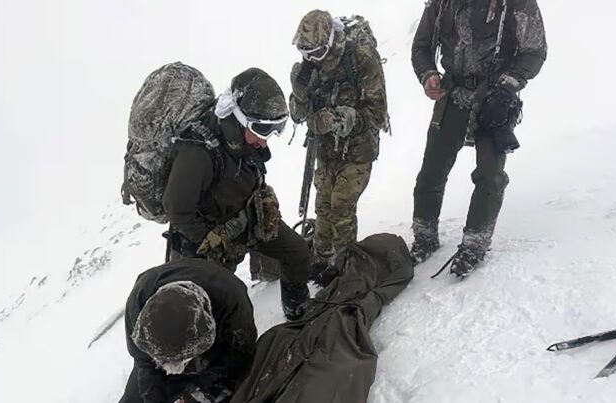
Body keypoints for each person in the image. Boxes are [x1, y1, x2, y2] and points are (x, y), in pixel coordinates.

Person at [410, 0, 547, 276]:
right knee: (431, 170)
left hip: (494, 97)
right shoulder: (441, 2)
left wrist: (507, 87)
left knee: (490, 175)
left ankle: (475, 244)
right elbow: (421, 47)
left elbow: (534, 51)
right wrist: (428, 75)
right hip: (452, 94)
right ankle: (424, 236)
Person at [162, 68, 310, 320]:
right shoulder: (198, 152)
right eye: (263, 130)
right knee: (211, 307)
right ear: (240, 119)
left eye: (275, 129)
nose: (267, 140)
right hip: (209, 240)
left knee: (297, 252)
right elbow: (176, 208)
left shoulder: (241, 139)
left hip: (248, 219)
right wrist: (213, 243)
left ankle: (297, 312)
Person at [289, 10, 388, 275]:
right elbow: (298, 116)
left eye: (317, 53)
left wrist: (337, 118)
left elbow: (376, 113)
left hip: (358, 149)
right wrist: (299, 92)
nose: (312, 60)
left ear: (331, 43)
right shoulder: (310, 69)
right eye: (306, 53)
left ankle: (346, 266)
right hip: (326, 150)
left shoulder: (361, 60)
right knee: (322, 206)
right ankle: (322, 260)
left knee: (341, 206)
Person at [119, 258, 257, 403]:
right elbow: (144, 361)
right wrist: (152, 397)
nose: (173, 371)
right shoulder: (139, 302)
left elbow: (240, 357)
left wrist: (205, 387)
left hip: (217, 348)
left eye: (180, 363)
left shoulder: (233, 303)